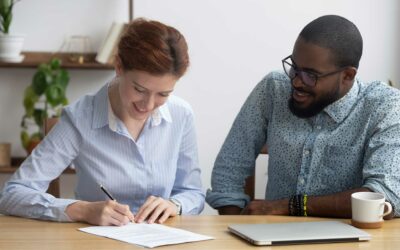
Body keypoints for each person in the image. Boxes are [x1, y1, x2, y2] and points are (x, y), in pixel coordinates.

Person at [0, 18, 205, 225]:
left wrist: (174, 204)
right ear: (119, 67)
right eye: (139, 90)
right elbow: (13, 194)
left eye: (163, 94)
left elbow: (193, 192)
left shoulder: (181, 115)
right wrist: (81, 210)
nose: (149, 105)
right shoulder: (80, 119)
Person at [206, 15, 400, 218]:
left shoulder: (384, 107)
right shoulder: (274, 88)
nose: (297, 82)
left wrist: (288, 206)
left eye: (311, 75)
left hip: (349, 240)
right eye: (294, 67)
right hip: (272, 239)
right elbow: (230, 166)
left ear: (347, 76)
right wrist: (238, 227)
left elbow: (384, 195)